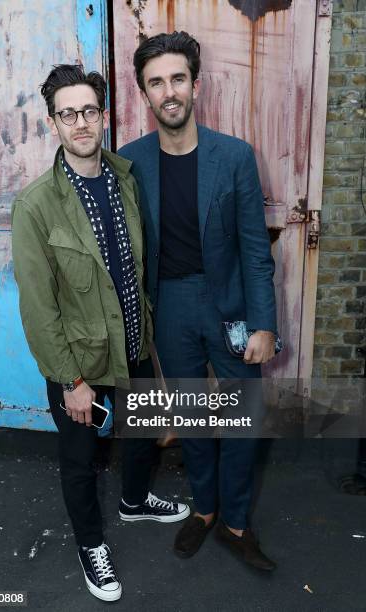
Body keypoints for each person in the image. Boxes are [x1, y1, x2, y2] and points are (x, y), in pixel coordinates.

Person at [11, 64, 189, 603]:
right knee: (80, 460)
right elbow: (39, 309)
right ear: (53, 123)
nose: (81, 122)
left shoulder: (126, 177)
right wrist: (70, 380)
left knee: (139, 437)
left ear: (103, 115)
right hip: (81, 361)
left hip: (133, 341)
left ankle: (134, 501)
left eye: (89, 110)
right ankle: (92, 546)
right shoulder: (36, 205)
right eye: (68, 113)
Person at [119, 32, 278, 571]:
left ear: (196, 84)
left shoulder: (233, 156)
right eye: (156, 82)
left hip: (230, 305)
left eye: (178, 78)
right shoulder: (131, 162)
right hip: (172, 306)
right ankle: (204, 509)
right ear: (145, 93)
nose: (169, 91)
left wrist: (265, 325)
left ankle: (236, 522)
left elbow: (256, 251)